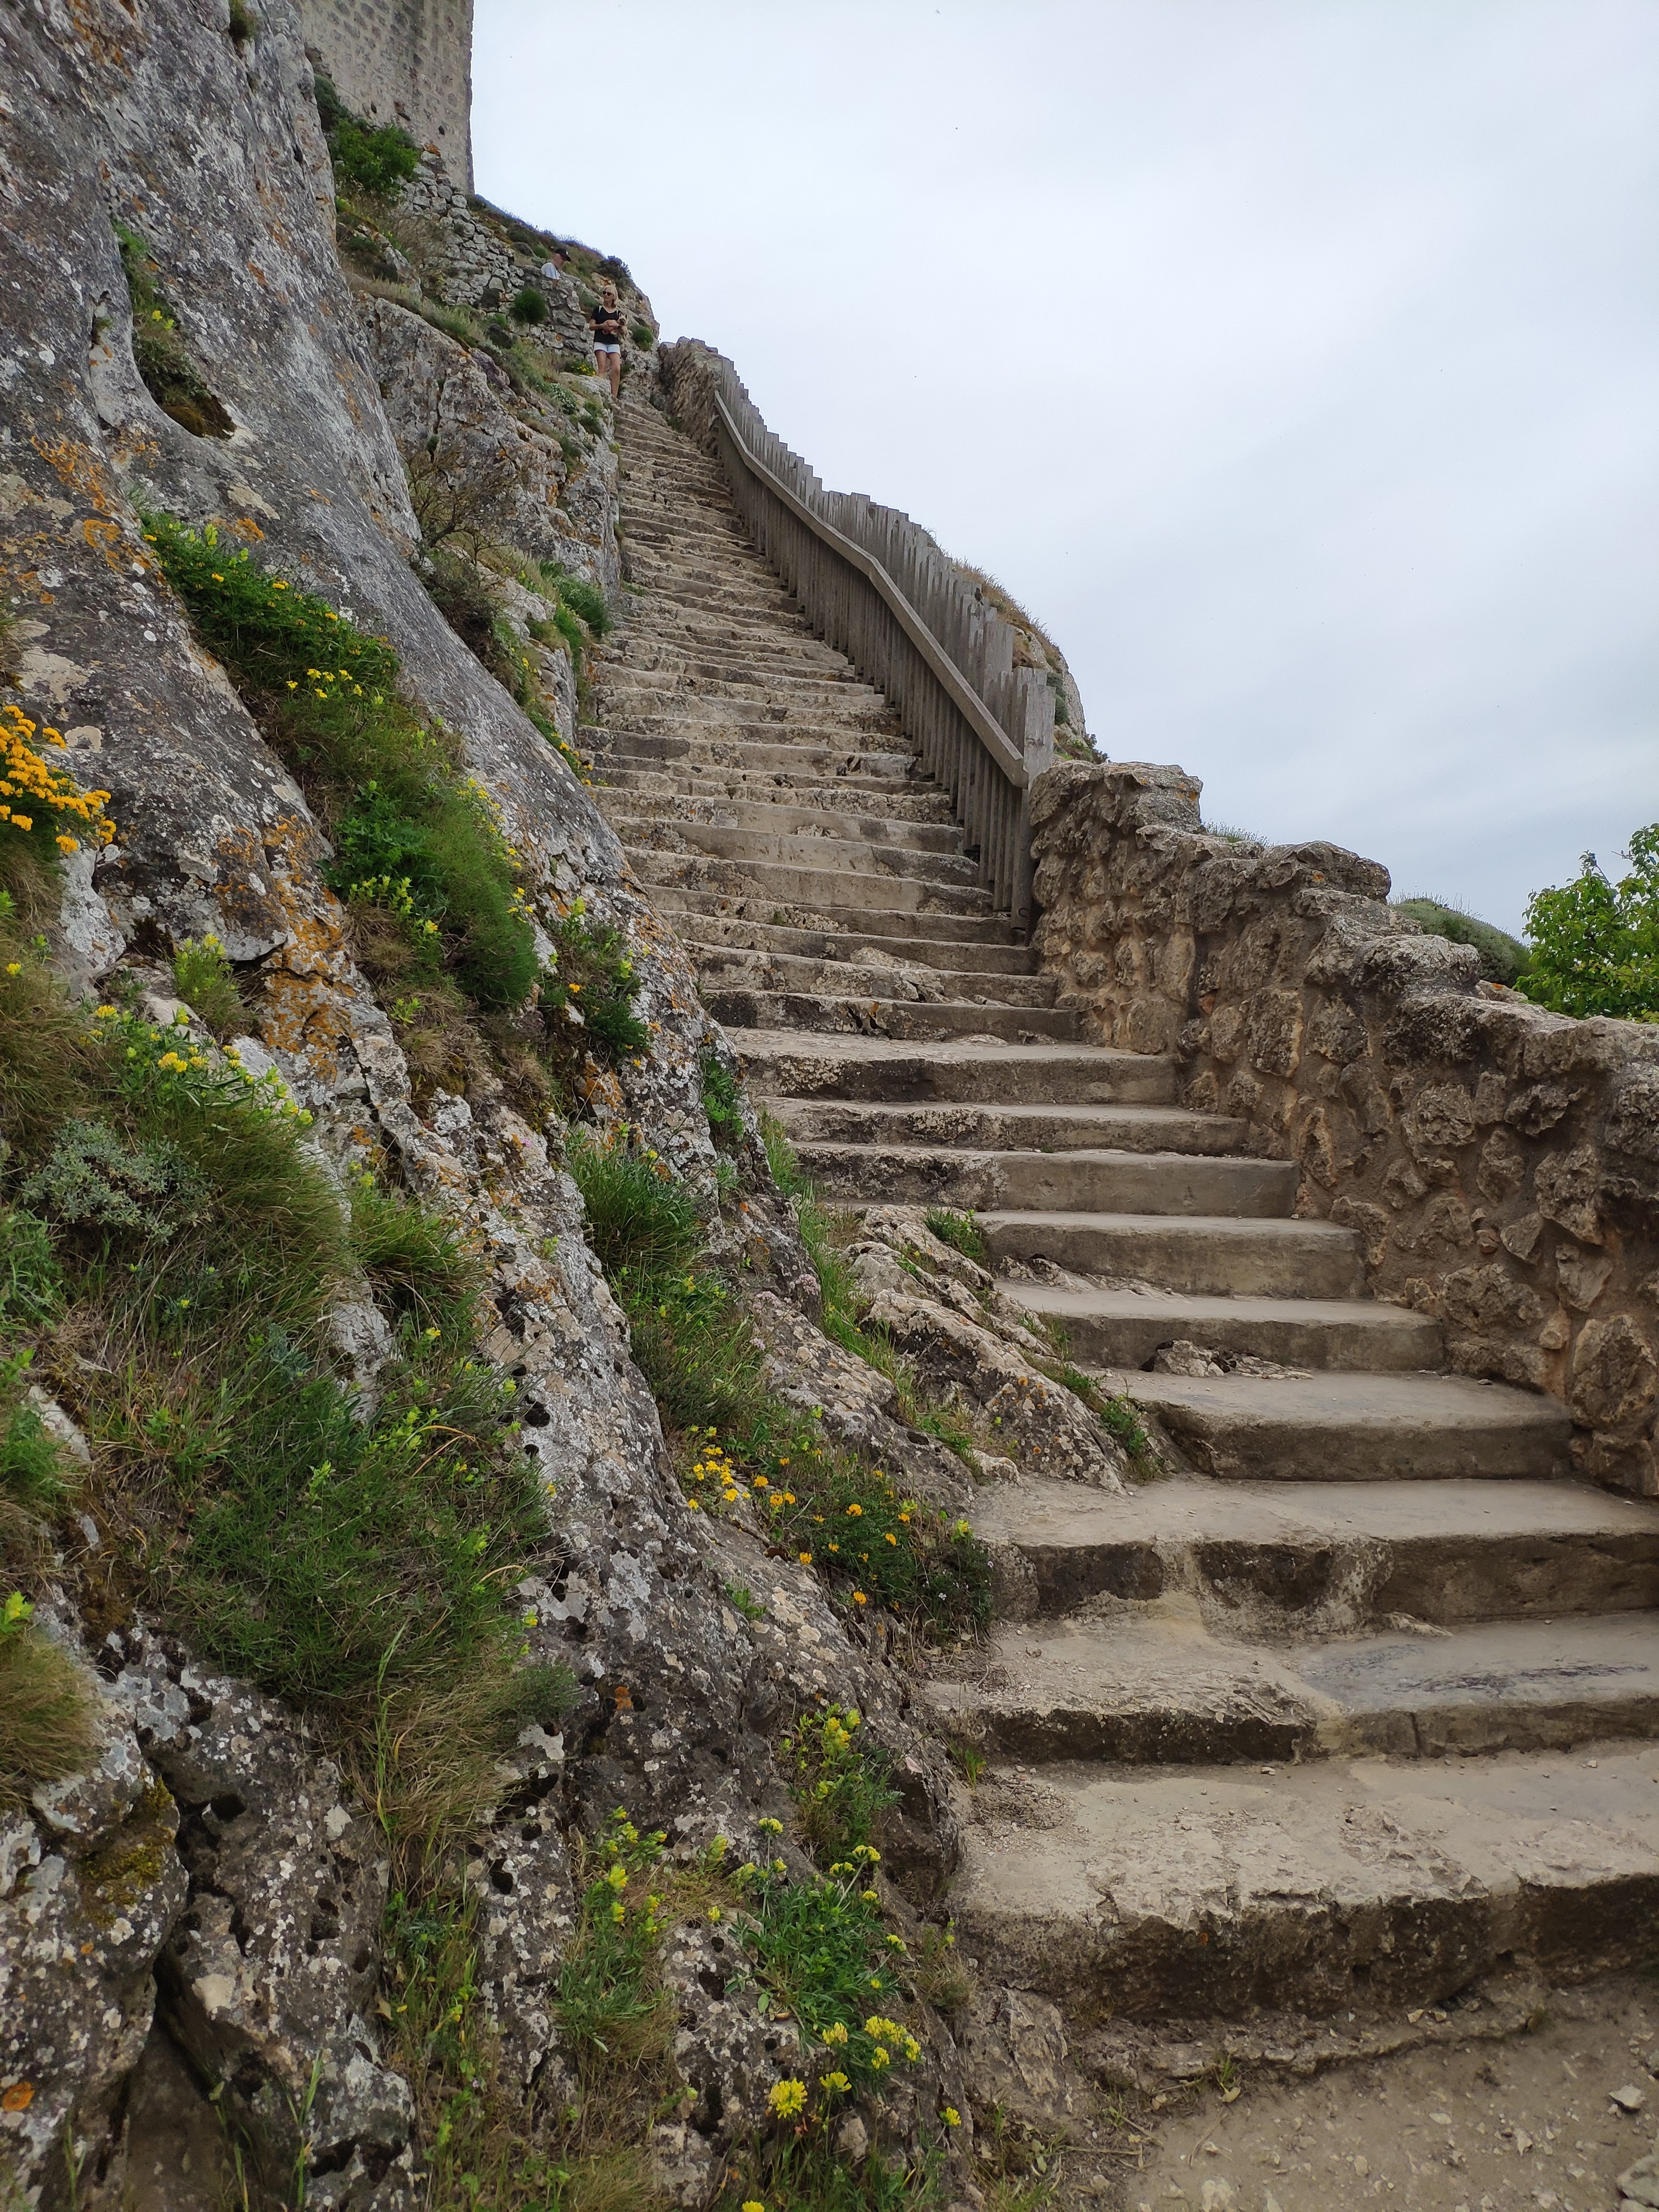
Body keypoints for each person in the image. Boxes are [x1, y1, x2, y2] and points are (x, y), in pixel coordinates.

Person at [591, 279, 624, 399]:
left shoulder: (618, 313)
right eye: (604, 293)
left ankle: (614, 397)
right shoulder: (598, 310)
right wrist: (602, 326)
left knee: (617, 369)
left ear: (614, 297)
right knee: (602, 368)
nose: (605, 295)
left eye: (608, 294)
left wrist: (617, 325)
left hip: (613, 342)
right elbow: (591, 326)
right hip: (600, 340)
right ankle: (601, 394)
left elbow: (623, 330)